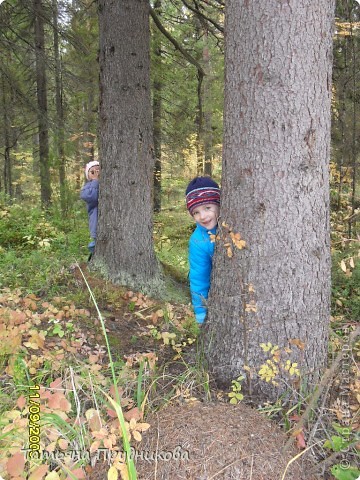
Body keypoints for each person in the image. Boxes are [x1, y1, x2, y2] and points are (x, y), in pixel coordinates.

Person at [186, 176, 220, 324]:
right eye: (196, 212)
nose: (203, 216)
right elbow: (199, 278)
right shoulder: (198, 241)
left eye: (208, 208)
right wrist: (201, 312)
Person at [80, 160, 100, 258]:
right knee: (96, 245)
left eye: (98, 171)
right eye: (92, 172)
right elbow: (91, 197)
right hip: (96, 221)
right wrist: (95, 181)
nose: (96, 173)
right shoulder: (88, 186)